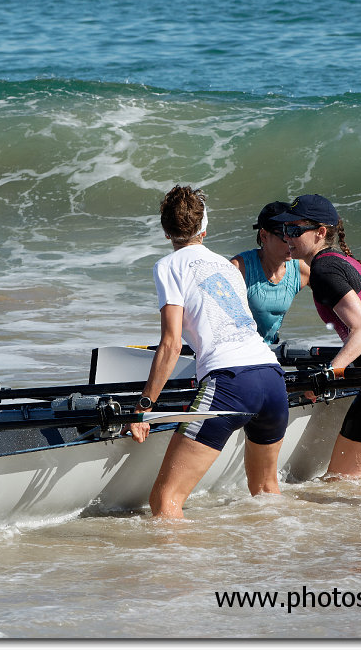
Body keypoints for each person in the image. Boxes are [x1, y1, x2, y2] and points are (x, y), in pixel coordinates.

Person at [127, 185, 289, 519]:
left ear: (166, 231)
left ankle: (178, 558)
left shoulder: (169, 265)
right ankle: (280, 552)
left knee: (166, 501)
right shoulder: (228, 267)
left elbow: (171, 344)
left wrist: (144, 406)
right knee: (266, 491)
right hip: (272, 377)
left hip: (231, 383)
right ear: (204, 228)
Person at [272, 194, 361, 478]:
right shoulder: (347, 262)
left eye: (294, 230)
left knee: (339, 483)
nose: (286, 236)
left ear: (320, 232)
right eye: (283, 230)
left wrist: (328, 374)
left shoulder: (323, 269)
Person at [230, 201, 310, 344]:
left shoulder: (301, 270)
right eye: (284, 236)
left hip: (270, 348)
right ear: (264, 236)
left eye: (294, 233)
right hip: (238, 348)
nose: (291, 241)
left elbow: (336, 302)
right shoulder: (239, 268)